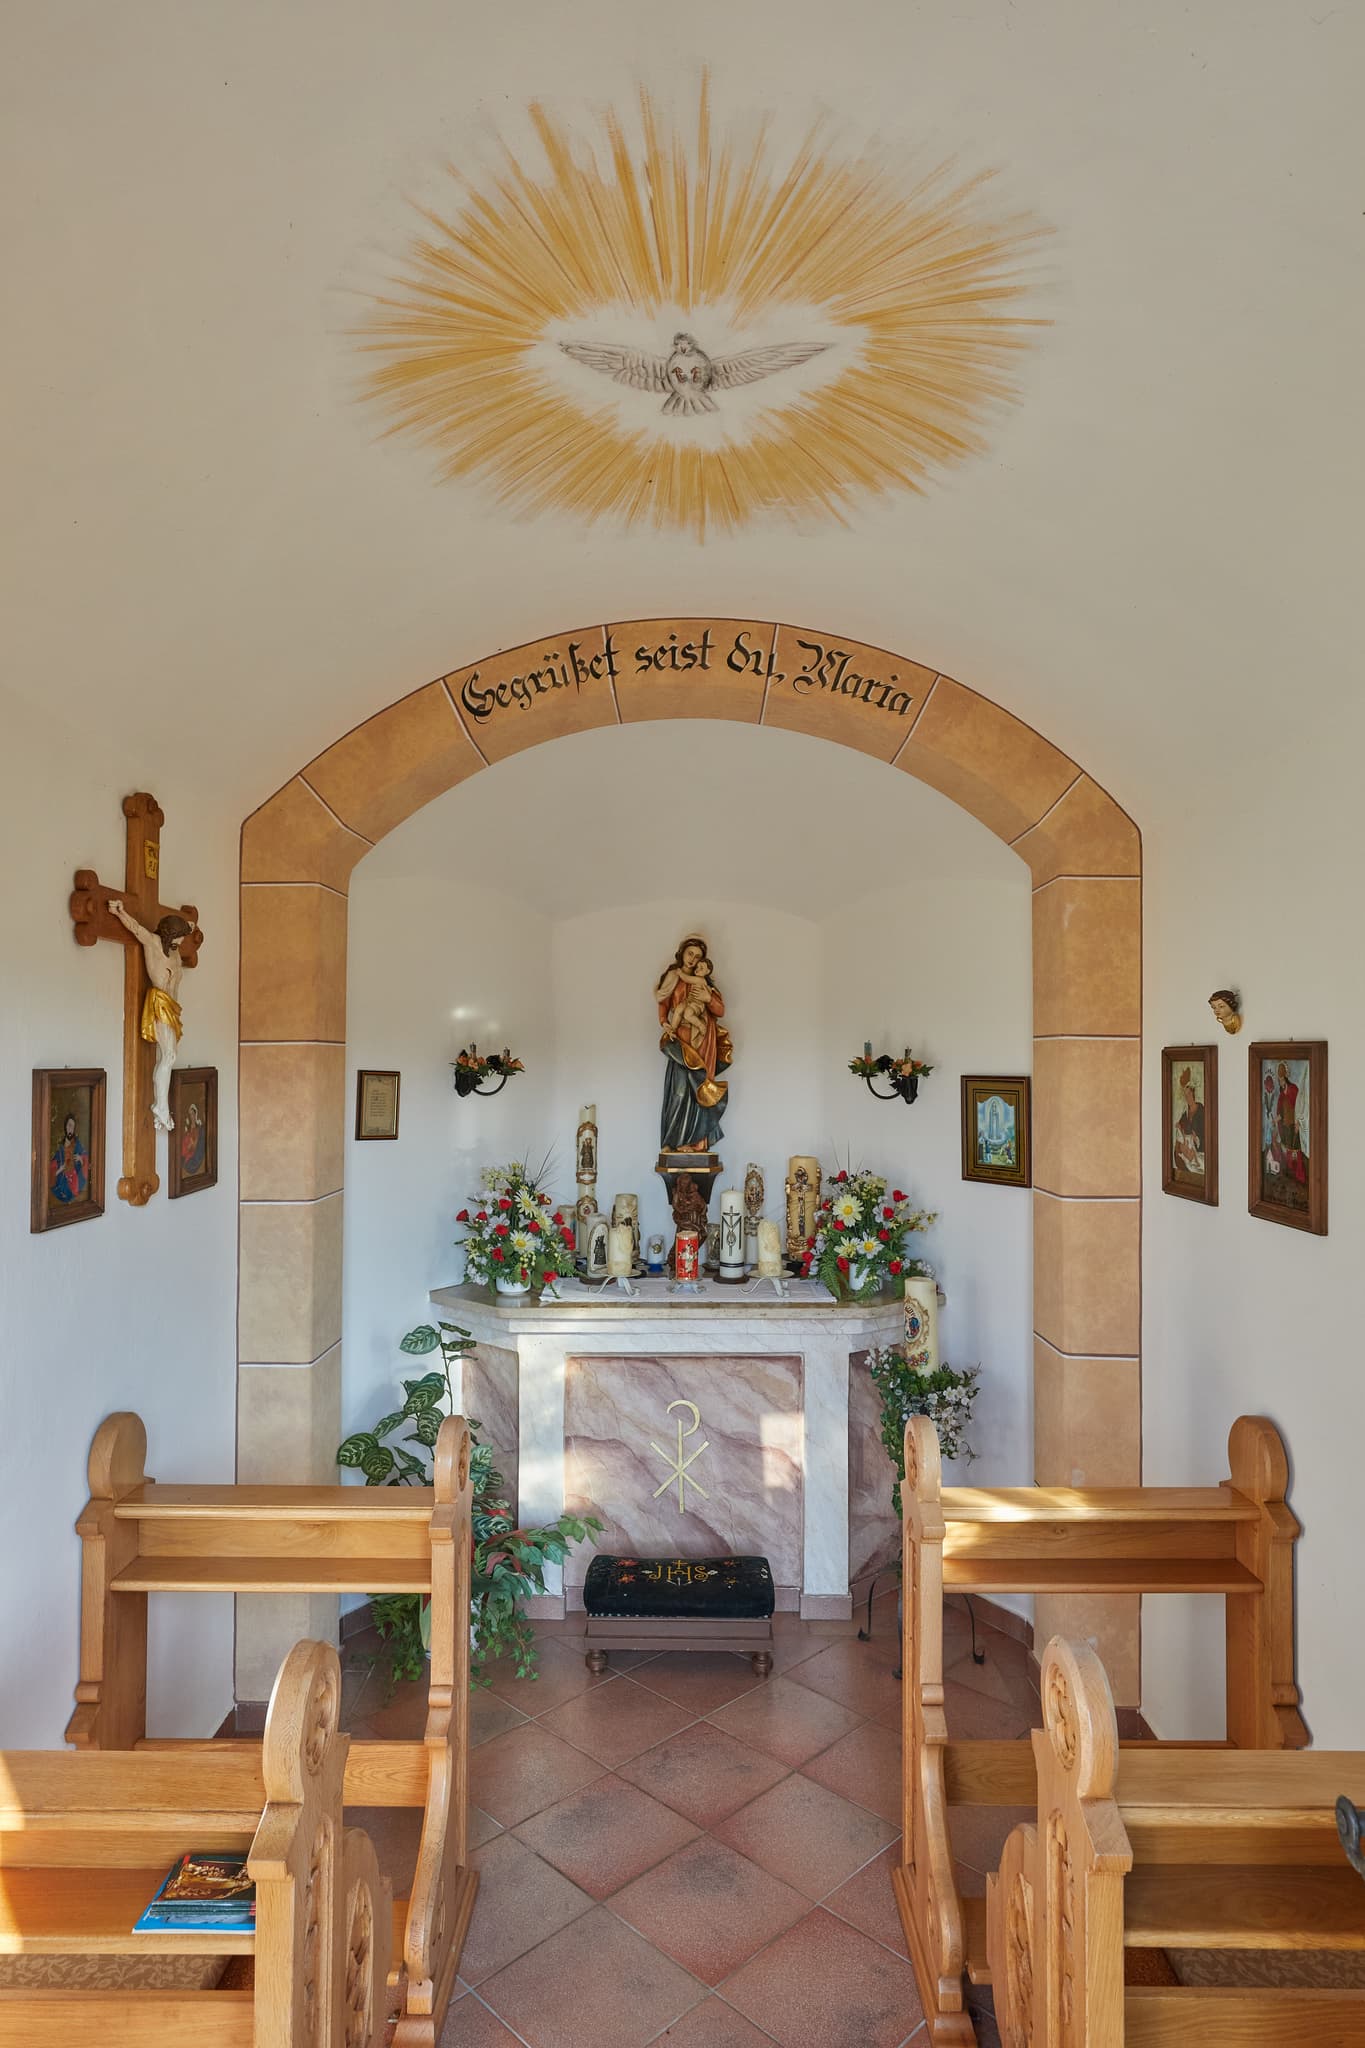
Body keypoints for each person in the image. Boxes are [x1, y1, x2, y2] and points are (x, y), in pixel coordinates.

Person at [108, 898, 192, 1132]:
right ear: (170, 933)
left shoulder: (174, 951)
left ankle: (161, 1105)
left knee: (169, 1055)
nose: (182, 940)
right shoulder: (154, 942)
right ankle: (160, 1106)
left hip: (173, 1006)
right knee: (169, 1055)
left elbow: (188, 933)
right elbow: (136, 928)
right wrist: (120, 912)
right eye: (180, 935)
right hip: (160, 1004)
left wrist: (190, 927)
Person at [654, 935, 733, 1153]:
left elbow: (720, 1010)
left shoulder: (706, 985)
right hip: (681, 1041)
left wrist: (708, 999)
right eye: (690, 953)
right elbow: (663, 1002)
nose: (692, 959)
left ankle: (696, 1143)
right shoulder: (674, 977)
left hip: (702, 1042)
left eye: (697, 956)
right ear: (682, 953)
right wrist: (664, 1023)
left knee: (699, 1090)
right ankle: (673, 1142)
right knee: (679, 1092)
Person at [50, 1111, 88, 1204]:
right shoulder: (60, 1148)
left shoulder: (77, 1145)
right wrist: (60, 1169)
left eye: (73, 1127)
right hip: (62, 1181)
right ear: (65, 1126)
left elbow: (86, 1158)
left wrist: (81, 1158)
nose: (71, 1129)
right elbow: (52, 1167)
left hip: (74, 1181)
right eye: (69, 1126)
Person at [1172, 1068, 1205, 1174]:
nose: (1188, 1097)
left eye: (1189, 1094)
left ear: (1193, 1094)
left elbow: (1206, 1133)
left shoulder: (1201, 1111)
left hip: (1199, 1149)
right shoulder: (1185, 1114)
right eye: (1186, 1095)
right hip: (1187, 1148)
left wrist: (1197, 1138)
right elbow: (1180, 1131)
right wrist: (1179, 1126)